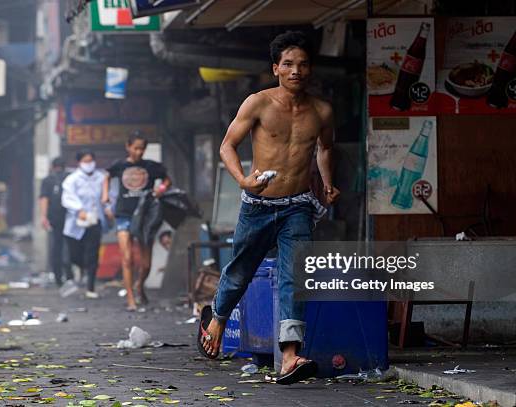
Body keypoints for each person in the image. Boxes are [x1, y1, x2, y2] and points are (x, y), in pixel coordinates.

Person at [197, 31, 340, 385]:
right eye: (288, 64)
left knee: (295, 278)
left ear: (310, 70)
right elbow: (227, 146)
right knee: (241, 271)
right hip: (258, 204)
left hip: (299, 207)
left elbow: (324, 149)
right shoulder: (257, 103)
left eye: (303, 65)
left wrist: (327, 184)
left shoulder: (322, 110)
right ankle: (216, 318)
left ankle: (289, 357)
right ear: (276, 68)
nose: (296, 71)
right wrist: (243, 180)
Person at [102, 132, 171, 310]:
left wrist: (161, 189)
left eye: (142, 149)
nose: (139, 152)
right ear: (128, 146)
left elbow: (166, 179)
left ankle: (139, 284)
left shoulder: (151, 167)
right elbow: (106, 176)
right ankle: (131, 299)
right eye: (136, 148)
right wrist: (105, 196)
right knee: (127, 258)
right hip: (123, 214)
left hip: (145, 217)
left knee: (146, 263)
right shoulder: (119, 165)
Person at [62, 150, 107, 299]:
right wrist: (78, 209)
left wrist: (107, 209)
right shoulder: (72, 179)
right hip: (76, 224)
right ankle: (80, 268)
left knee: (93, 255)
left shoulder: (101, 178)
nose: (89, 164)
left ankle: (91, 287)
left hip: (95, 221)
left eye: (91, 161)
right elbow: (67, 198)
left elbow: (107, 196)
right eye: (85, 161)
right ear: (79, 162)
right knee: (75, 255)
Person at [39, 157, 74, 291]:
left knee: (56, 247)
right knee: (70, 246)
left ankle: (59, 277)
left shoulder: (47, 180)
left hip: (54, 218)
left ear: (52, 166)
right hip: (70, 218)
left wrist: (43, 217)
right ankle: (70, 275)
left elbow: (44, 199)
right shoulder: (70, 178)